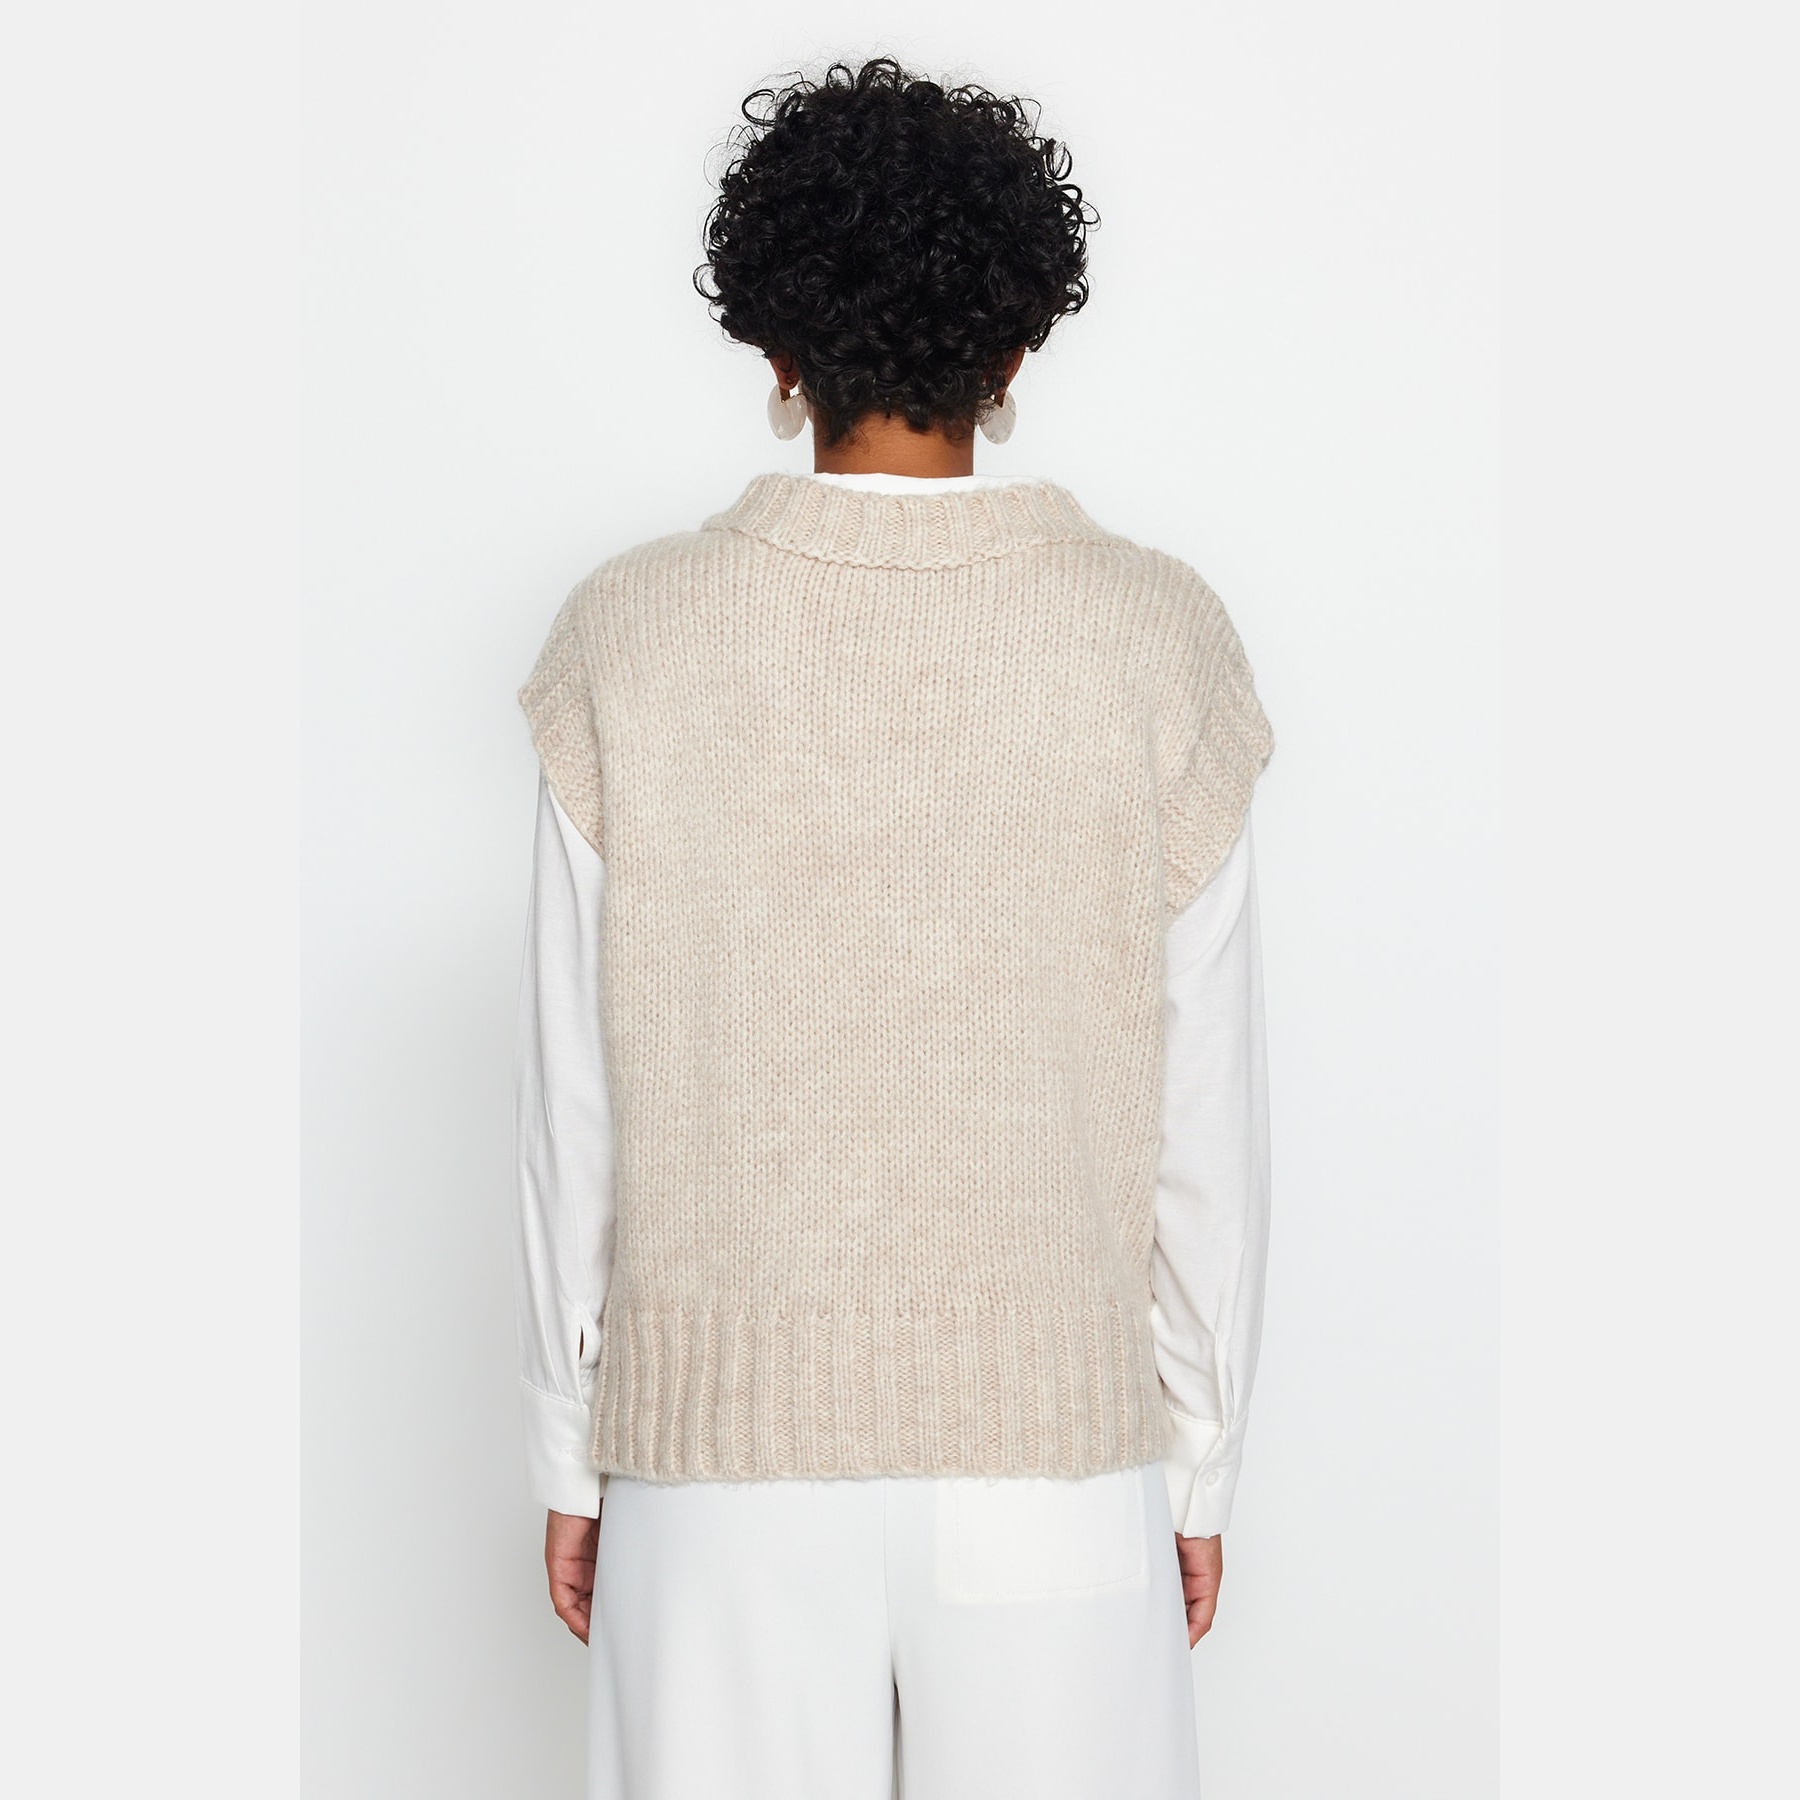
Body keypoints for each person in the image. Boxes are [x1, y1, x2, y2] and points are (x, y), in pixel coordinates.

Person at [512, 56, 1275, 1800]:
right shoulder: (1156, 636)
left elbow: (572, 1100)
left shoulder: (628, 634)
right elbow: (1205, 1120)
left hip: (715, 1477)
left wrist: (568, 1440)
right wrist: (1200, 1460)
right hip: (1056, 1467)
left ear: (773, 344)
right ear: (1021, 345)